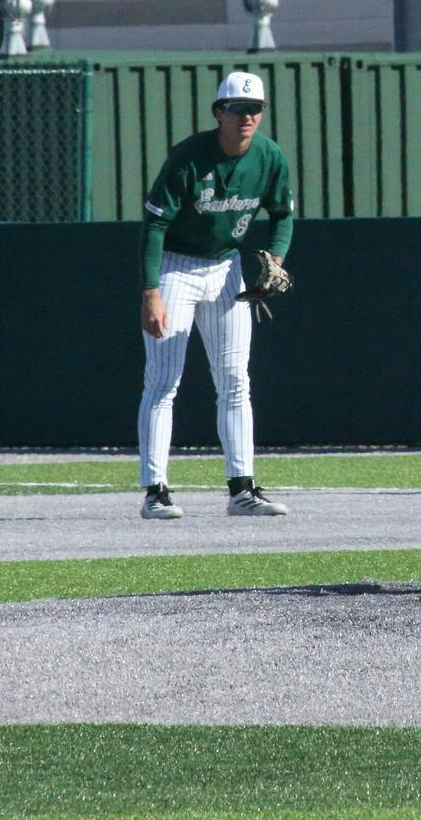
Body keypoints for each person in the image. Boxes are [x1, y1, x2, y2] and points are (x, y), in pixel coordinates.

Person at [136, 71, 295, 521]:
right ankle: (155, 492)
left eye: (255, 109)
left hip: (227, 268)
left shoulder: (269, 156)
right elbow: (155, 225)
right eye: (238, 108)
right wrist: (151, 291)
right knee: (163, 381)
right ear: (218, 112)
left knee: (235, 380)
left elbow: (282, 214)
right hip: (176, 267)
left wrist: (277, 262)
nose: (247, 116)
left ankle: (242, 489)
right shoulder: (189, 157)